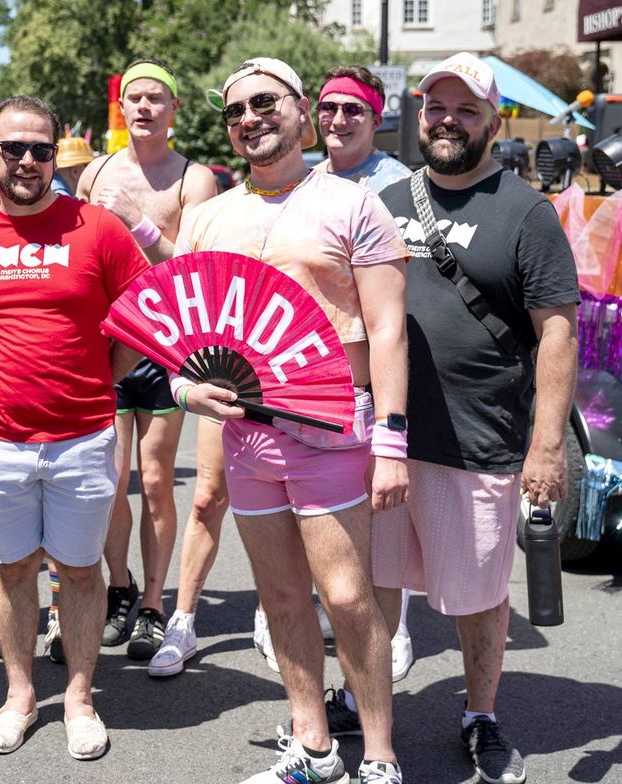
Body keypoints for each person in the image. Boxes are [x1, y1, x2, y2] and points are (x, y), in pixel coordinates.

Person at [172, 57, 409, 784]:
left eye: (265, 102)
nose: (250, 118)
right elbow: (180, 336)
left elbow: (390, 329)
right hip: (246, 436)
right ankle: (313, 748)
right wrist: (185, 392)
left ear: (300, 110)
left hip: (334, 428)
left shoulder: (352, 203)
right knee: (279, 598)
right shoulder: (208, 216)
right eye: (236, 110)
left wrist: (392, 441)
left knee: (346, 597)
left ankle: (379, 755)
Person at [364, 52, 578, 784]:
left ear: (491, 121)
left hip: (481, 440)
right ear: (420, 115)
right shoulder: (388, 201)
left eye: (464, 109)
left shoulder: (525, 211)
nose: (447, 120)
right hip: (386, 436)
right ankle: (371, 715)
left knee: (479, 598)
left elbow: (557, 331)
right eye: (436, 107)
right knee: (371, 585)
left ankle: (480, 714)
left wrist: (546, 447)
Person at [0, 95, 148, 761]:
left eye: (40, 148)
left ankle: (81, 698)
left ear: (54, 153)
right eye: (14, 147)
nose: (28, 160)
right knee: (10, 571)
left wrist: (102, 382)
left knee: (83, 574)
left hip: (84, 438)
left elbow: (136, 323)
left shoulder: (99, 229)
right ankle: (21, 694)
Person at [77, 58, 219, 660]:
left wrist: (135, 221)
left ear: (173, 110)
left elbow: (188, 270)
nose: (143, 108)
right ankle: (120, 588)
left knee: (157, 481)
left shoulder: (195, 181)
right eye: (133, 98)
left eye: (155, 98)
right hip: (106, 342)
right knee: (108, 480)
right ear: (122, 107)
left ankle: (156, 606)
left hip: (164, 348)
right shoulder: (96, 172)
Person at [312, 64, 416, 683]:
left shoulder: (400, 185)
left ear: (376, 120)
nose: (339, 120)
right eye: (329, 108)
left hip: (382, 363)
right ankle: (328, 609)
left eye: (354, 109)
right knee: (326, 500)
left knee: (384, 507)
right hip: (318, 371)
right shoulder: (304, 178)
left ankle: (394, 626)